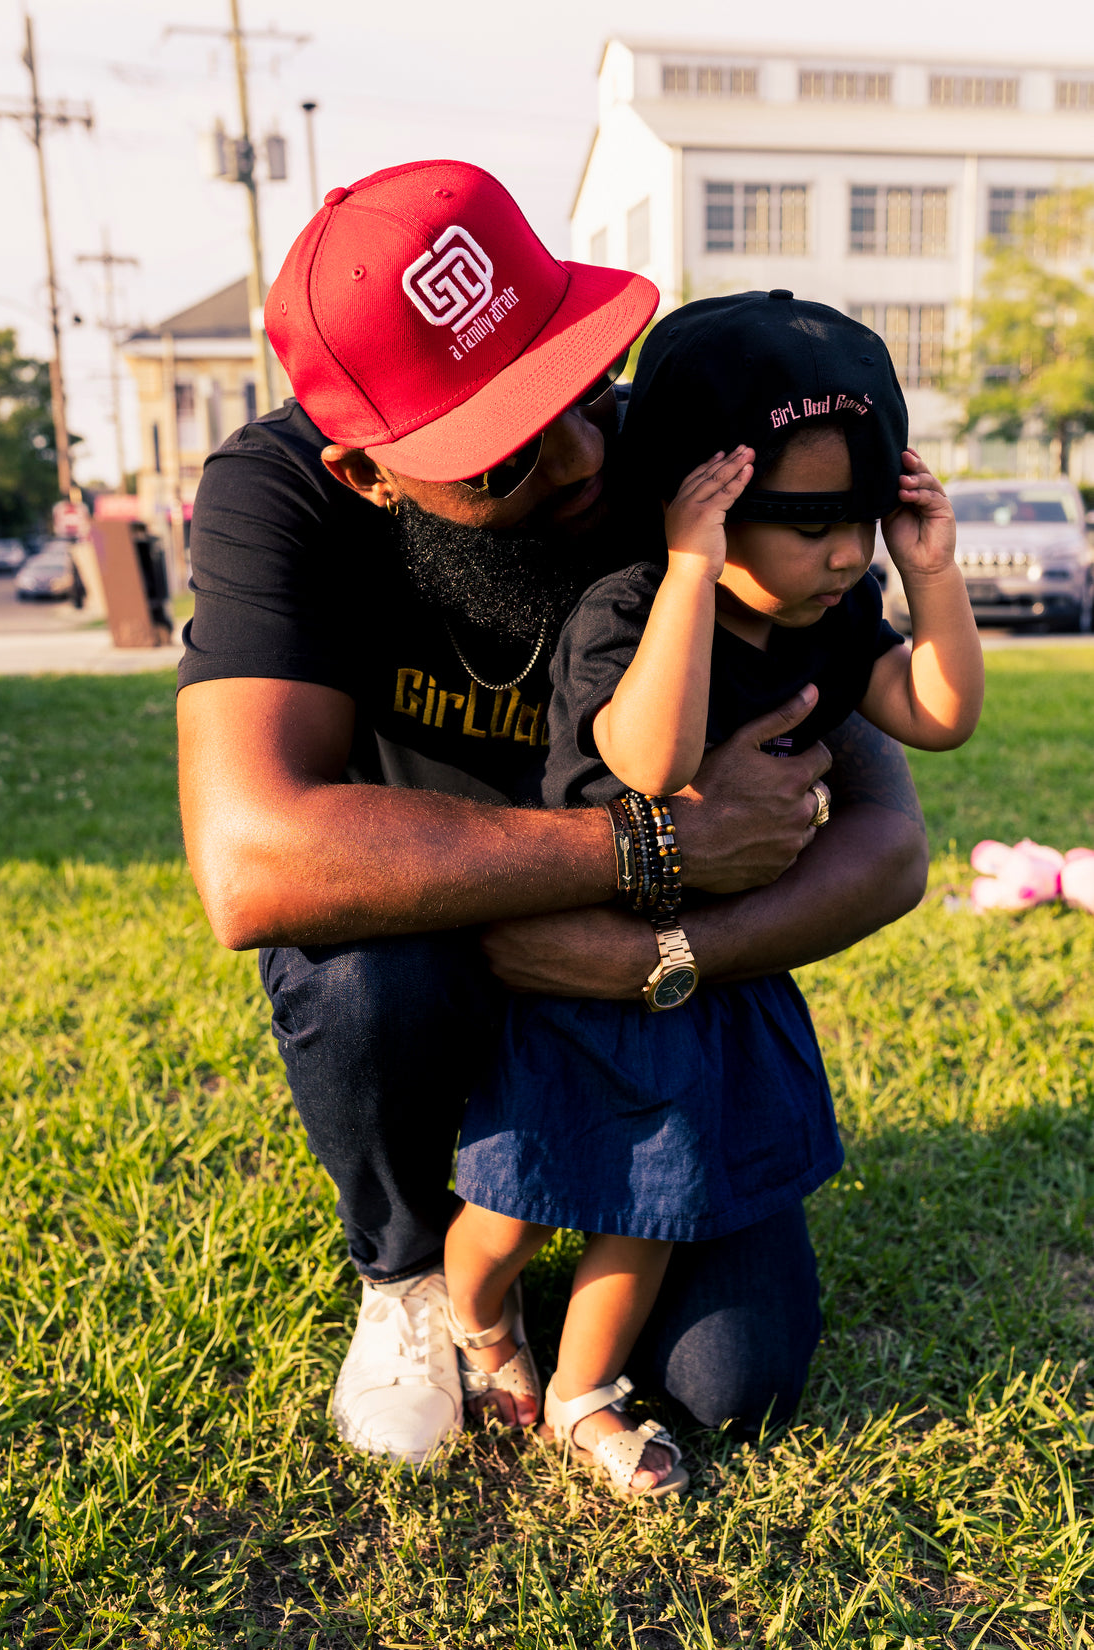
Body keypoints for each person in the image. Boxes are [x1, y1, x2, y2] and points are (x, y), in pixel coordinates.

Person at [176, 166, 930, 1467]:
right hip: (442, 974)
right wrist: (654, 847)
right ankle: (412, 1270)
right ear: (369, 472)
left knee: (729, 1377)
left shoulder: (686, 465)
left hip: (652, 1001)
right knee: (363, 970)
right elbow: (254, 859)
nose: (584, 457)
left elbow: (889, 839)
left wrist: (663, 955)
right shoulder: (283, 495)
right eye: (508, 447)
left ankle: (586, 1266)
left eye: (579, 380)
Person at [444, 292, 983, 1499]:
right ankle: (473, 1321)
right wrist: (691, 571)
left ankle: (581, 1391)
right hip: (581, 967)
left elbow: (938, 716)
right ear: (702, 503)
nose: (846, 555)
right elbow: (652, 760)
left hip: (705, 978)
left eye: (863, 522)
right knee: (513, 1203)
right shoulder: (631, 609)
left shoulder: (835, 610)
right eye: (805, 525)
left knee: (652, 1198)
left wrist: (930, 574)